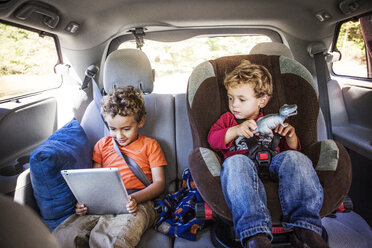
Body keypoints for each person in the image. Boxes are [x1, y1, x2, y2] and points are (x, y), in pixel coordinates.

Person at [207, 60, 328, 248]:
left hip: (273, 161)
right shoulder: (228, 120)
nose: (234, 105)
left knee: (297, 159)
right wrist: (236, 130)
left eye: (241, 99)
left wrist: (291, 138)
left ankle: (305, 227)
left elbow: (291, 154)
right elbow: (213, 140)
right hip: (243, 164)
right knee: (234, 163)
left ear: (262, 100)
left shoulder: (271, 121)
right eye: (231, 98)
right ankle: (255, 234)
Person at [53, 86, 167, 248]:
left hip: (139, 201)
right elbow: (94, 182)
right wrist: (84, 202)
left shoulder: (150, 145)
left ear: (140, 121)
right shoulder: (102, 145)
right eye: (112, 129)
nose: (119, 135)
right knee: (65, 236)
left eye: (126, 129)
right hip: (102, 203)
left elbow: (159, 184)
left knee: (111, 241)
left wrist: (135, 199)